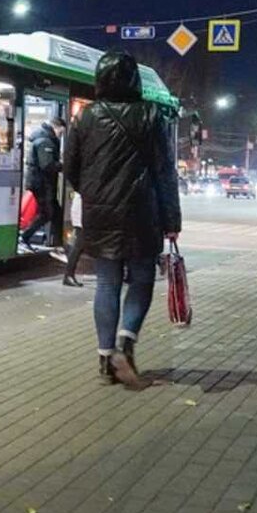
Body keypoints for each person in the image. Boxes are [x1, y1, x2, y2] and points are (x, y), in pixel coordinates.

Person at [64, 49, 181, 390]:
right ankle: (126, 342)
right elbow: (164, 172)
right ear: (134, 79)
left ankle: (104, 358)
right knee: (142, 279)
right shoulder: (150, 115)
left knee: (107, 282)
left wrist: (94, 192)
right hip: (143, 212)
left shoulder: (85, 117)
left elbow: (70, 168)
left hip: (99, 212)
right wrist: (172, 219)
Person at [20, 117, 66, 250]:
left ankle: (59, 243)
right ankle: (26, 236)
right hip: (41, 183)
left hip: (41, 182)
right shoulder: (45, 140)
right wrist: (63, 165)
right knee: (47, 213)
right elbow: (47, 165)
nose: (60, 135)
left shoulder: (44, 137)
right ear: (55, 127)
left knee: (56, 212)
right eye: (61, 132)